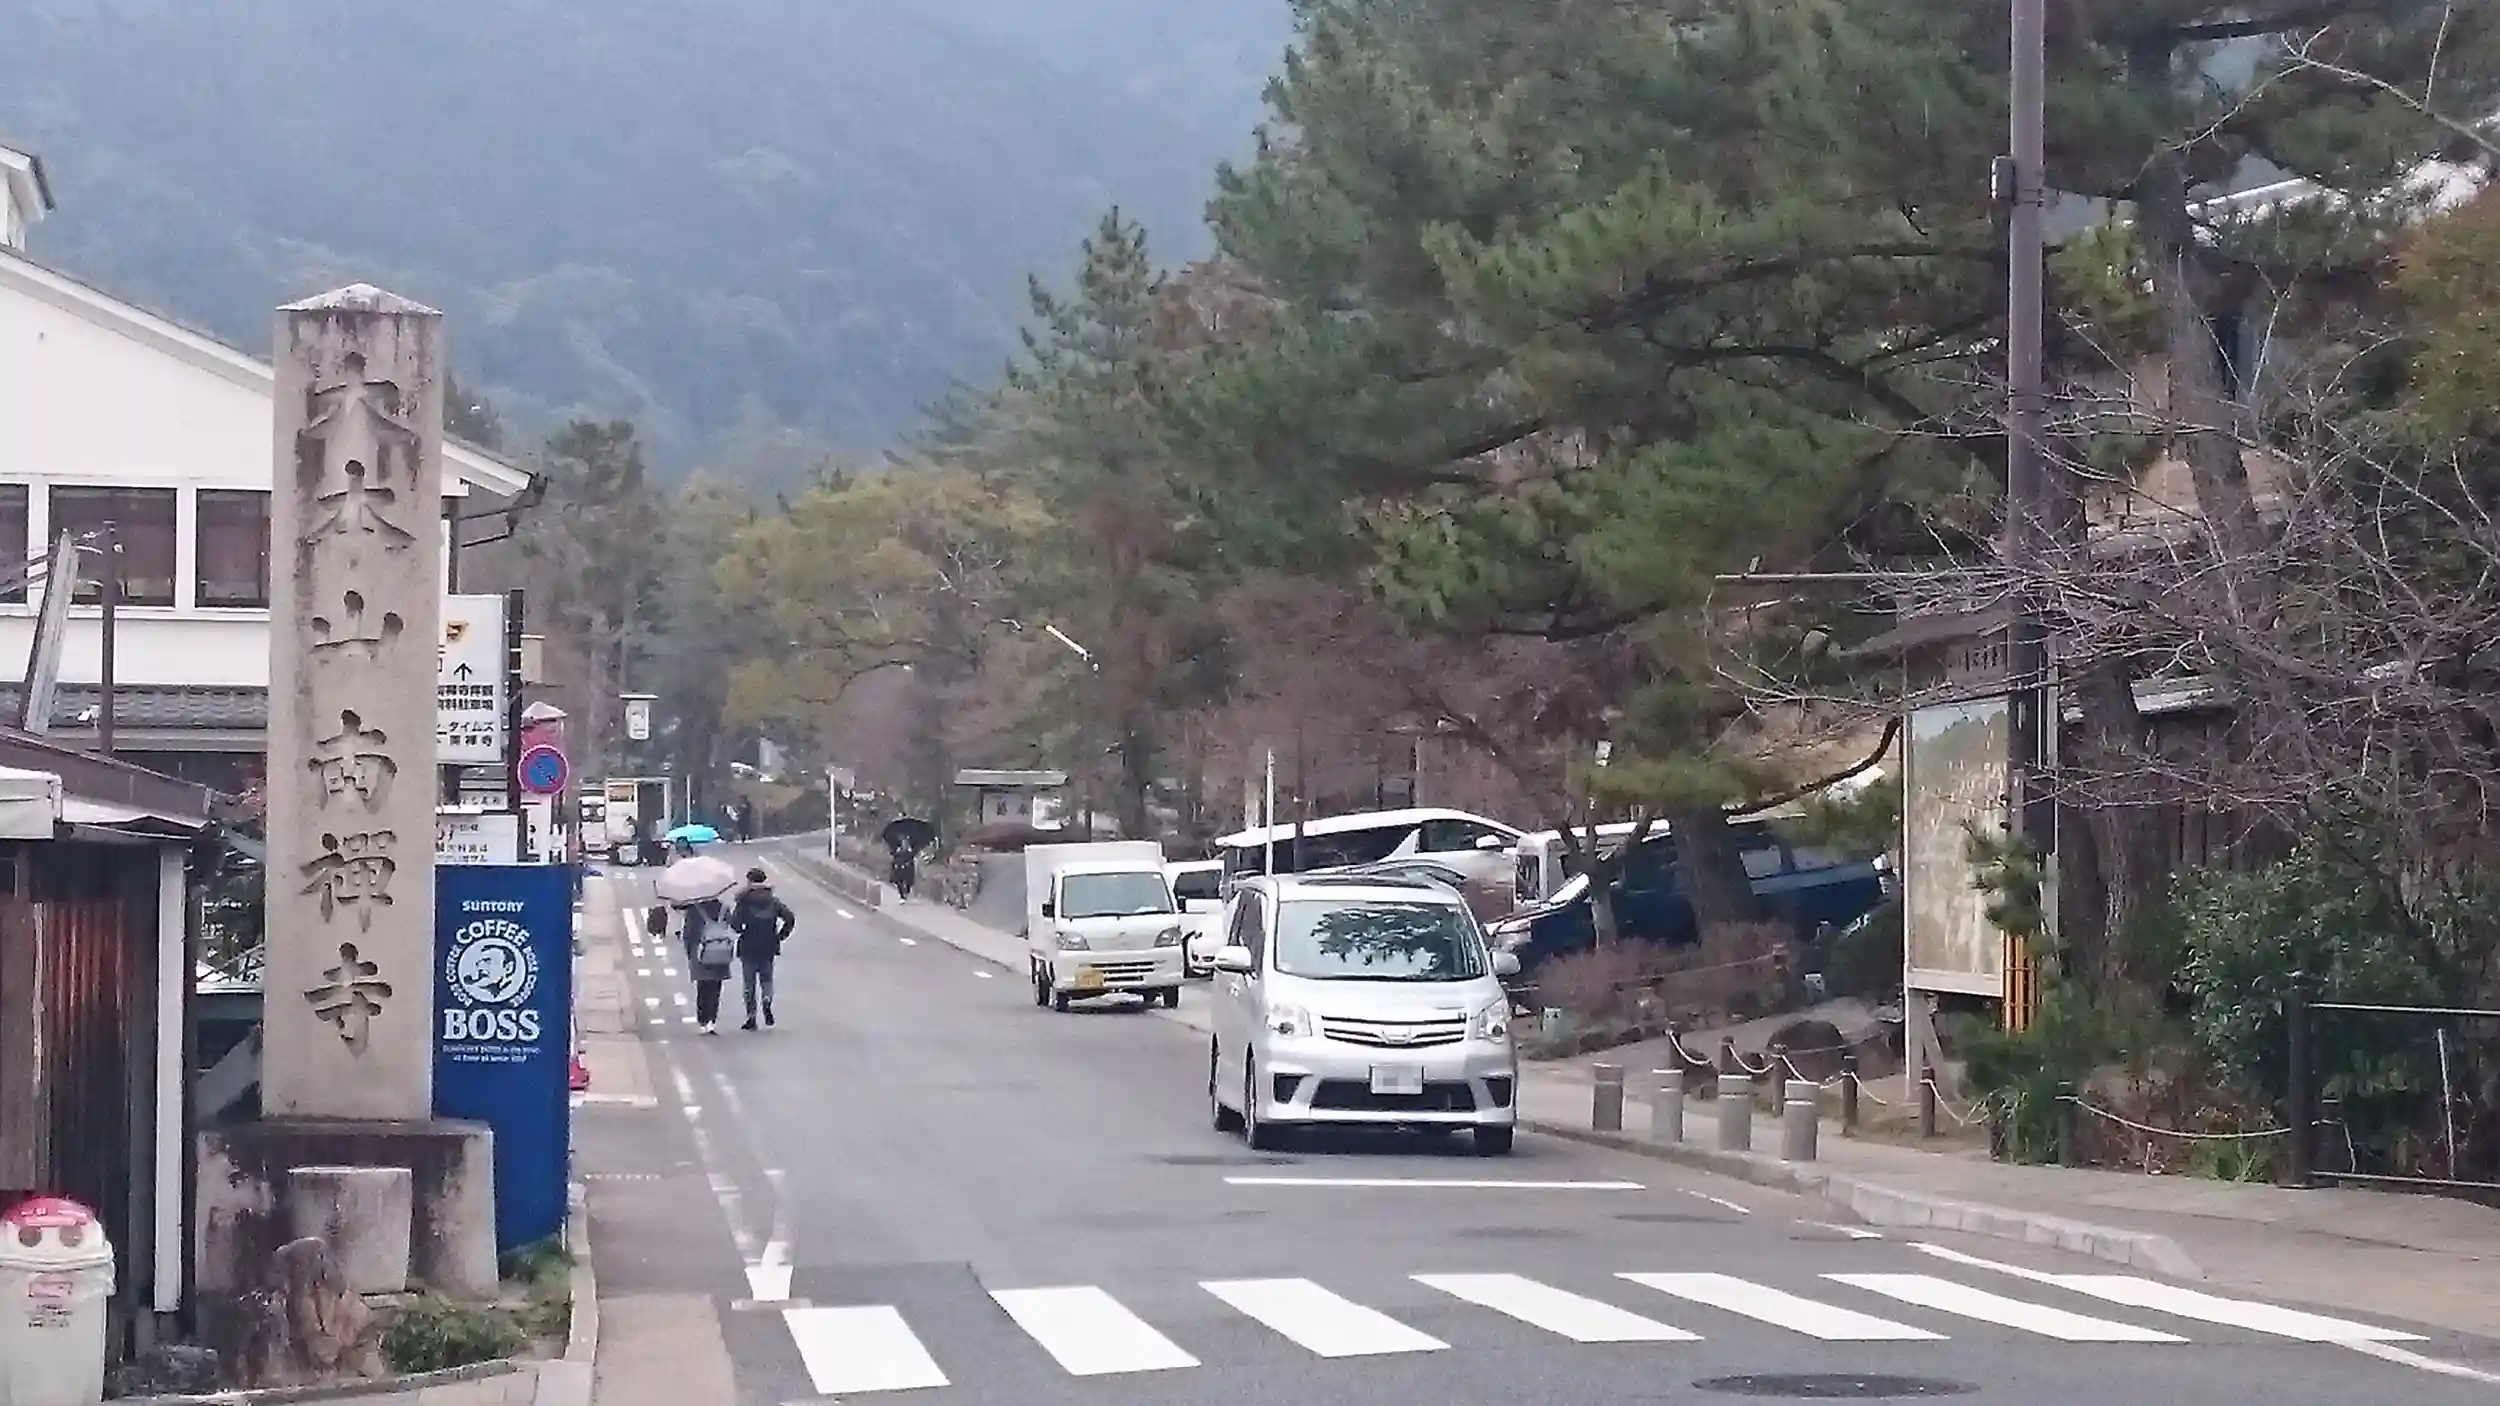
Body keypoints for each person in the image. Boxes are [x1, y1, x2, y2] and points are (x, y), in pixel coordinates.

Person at [733, 867, 797, 1030]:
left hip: (748, 944)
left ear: (749, 881)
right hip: (768, 944)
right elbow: (789, 917)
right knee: (766, 979)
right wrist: (780, 936)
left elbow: (735, 924)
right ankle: (767, 1000)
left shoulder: (744, 901)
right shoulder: (773, 901)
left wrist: (741, 929)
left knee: (749, 983)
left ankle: (751, 1016)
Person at [680, 896, 737, 1035]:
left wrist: (690, 952)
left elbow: (688, 933)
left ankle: (703, 1020)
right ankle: (712, 1019)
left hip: (701, 952)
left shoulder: (694, 909)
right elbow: (732, 927)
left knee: (702, 988)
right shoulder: (724, 908)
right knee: (716, 988)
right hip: (721, 951)